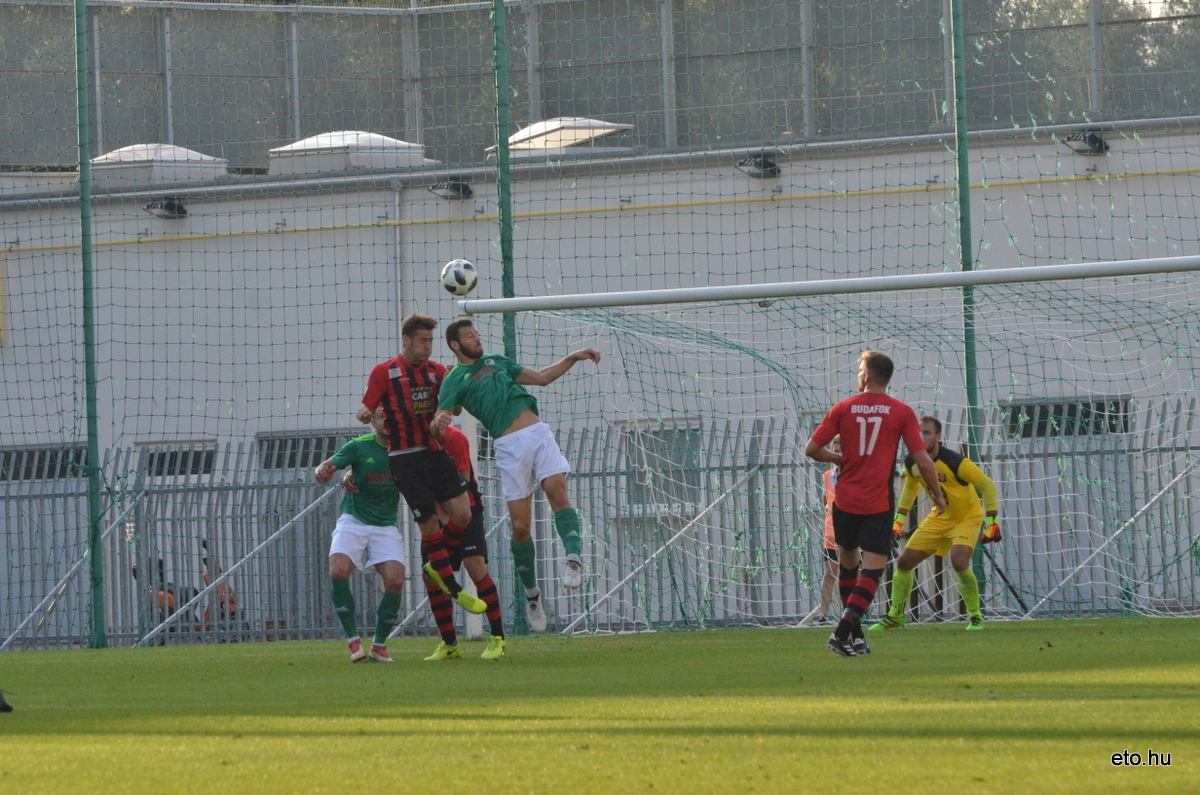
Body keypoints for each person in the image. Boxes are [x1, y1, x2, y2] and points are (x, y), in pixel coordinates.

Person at [432, 319, 600, 633]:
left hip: (538, 434)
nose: (477, 339)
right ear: (455, 345)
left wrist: (572, 357)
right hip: (509, 447)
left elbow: (542, 378)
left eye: (477, 334)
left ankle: (573, 558)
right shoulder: (454, 378)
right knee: (521, 528)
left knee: (557, 491)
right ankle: (532, 594)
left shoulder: (497, 361)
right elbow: (442, 416)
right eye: (470, 336)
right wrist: (438, 422)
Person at [805, 351, 946, 657]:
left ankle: (855, 638)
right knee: (872, 573)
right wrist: (937, 495)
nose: (858, 374)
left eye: (859, 370)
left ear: (867, 376)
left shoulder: (843, 408)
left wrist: (838, 458)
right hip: (877, 501)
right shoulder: (901, 412)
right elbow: (923, 461)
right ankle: (842, 633)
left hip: (845, 499)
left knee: (847, 567)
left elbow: (812, 449)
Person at [357, 314, 486, 619]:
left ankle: (435, 567)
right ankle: (453, 587)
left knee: (463, 514)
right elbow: (367, 408)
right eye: (422, 341)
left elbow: (454, 408)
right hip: (405, 458)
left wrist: (451, 393)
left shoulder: (437, 371)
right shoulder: (384, 372)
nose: (428, 347)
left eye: (430, 341)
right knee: (429, 526)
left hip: (435, 452)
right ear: (406, 340)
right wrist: (364, 413)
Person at [870, 415, 1001, 632]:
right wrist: (898, 522)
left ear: (938, 437)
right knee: (904, 562)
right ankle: (896, 616)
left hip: (967, 518)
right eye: (918, 433)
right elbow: (910, 489)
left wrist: (992, 522)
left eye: (927, 433)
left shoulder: (956, 462)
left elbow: (987, 486)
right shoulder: (912, 462)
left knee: (959, 561)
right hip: (939, 518)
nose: (921, 437)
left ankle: (976, 616)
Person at [314, 407, 407, 663]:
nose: (386, 420)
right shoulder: (358, 446)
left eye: (390, 415)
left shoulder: (406, 448)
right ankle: (353, 640)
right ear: (372, 422)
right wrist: (323, 472)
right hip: (353, 520)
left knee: (395, 581)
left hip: (385, 525)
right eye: (381, 416)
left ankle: (379, 645)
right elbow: (326, 467)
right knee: (338, 570)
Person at [422, 424, 507, 660]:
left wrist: (452, 515)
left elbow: (463, 482)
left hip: (466, 508)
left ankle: (498, 638)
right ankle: (450, 644)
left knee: (474, 565)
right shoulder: (414, 441)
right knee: (430, 575)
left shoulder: (455, 438)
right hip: (434, 513)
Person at [816, 436, 841, 624]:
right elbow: (826, 499)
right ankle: (823, 615)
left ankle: (856, 612)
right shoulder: (827, 475)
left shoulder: (857, 475)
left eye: (841, 451)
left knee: (855, 571)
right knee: (830, 572)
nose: (838, 455)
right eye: (835, 451)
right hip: (831, 532)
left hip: (852, 530)